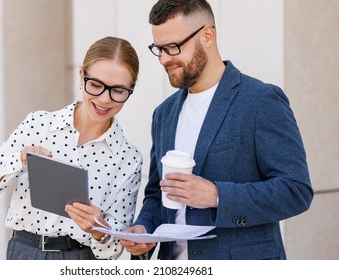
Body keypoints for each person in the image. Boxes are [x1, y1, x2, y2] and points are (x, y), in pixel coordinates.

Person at [120, 0, 313, 260]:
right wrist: (145, 230)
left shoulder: (260, 100)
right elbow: (157, 192)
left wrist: (218, 195)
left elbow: (295, 191)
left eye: (173, 47)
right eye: (159, 49)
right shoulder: (163, 113)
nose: (164, 59)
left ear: (207, 36)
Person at [0, 36, 143, 260]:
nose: (104, 99)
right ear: (81, 76)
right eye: (96, 85)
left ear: (130, 89)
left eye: (118, 90)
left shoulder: (128, 158)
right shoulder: (38, 124)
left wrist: (100, 231)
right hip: (24, 254)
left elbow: (113, 251)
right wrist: (20, 161)